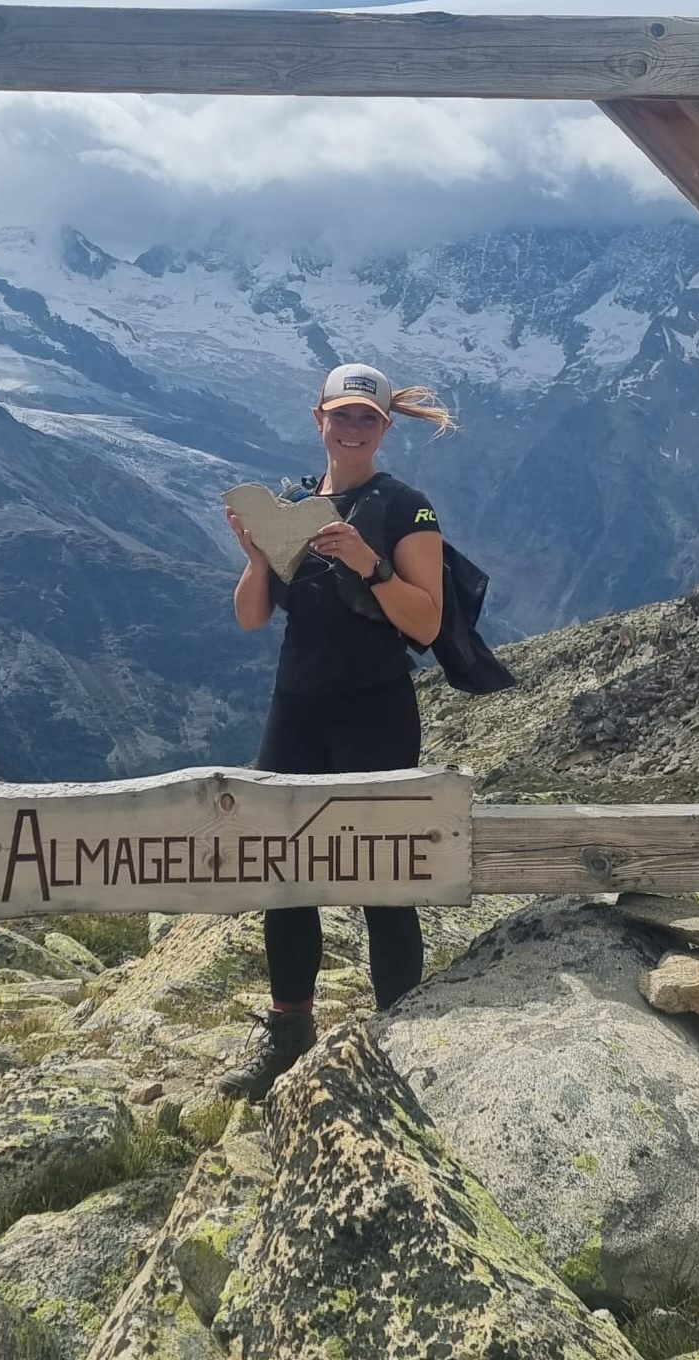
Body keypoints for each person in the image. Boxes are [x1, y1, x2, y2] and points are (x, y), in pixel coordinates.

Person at [216, 361, 455, 1101]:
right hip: (298, 706)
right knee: (284, 876)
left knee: (384, 880)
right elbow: (253, 616)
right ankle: (291, 1030)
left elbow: (427, 622)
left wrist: (369, 564)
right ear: (317, 416)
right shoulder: (290, 505)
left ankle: (398, 1036)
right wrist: (259, 557)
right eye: (341, 415)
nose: (352, 430)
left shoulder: (406, 509)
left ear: (385, 429)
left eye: (367, 419)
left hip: (374, 707)